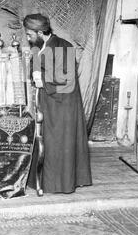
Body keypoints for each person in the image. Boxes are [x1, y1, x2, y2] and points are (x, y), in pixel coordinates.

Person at [23, 13, 92, 194]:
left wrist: (42, 80)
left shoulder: (63, 46)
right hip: (48, 103)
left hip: (63, 107)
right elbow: (39, 68)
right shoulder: (40, 47)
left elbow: (66, 81)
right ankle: (42, 180)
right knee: (46, 141)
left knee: (58, 144)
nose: (27, 38)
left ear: (39, 32)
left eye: (29, 35)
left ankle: (59, 184)